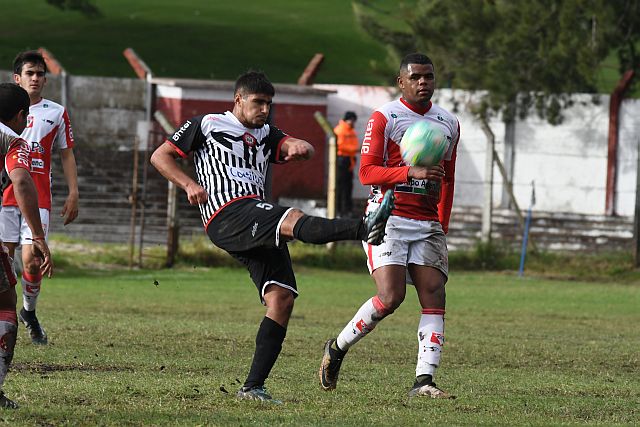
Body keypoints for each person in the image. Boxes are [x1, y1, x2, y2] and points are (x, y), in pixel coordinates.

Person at [150, 70, 395, 403]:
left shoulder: (267, 133)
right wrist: (189, 184)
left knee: (281, 300)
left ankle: (252, 387)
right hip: (227, 212)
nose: (264, 109)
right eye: (258, 102)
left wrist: (300, 147)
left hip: (254, 215)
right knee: (292, 219)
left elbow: (298, 146)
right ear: (239, 100)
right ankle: (364, 228)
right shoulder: (205, 124)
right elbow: (160, 156)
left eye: (269, 103)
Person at [319, 53, 460, 398]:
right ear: (402, 82)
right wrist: (409, 171)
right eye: (415, 77)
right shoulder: (385, 117)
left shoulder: (449, 123)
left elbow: (448, 180)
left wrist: (442, 222)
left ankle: (424, 381)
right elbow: (367, 173)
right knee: (391, 296)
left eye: (429, 76)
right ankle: (337, 348)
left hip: (426, 222)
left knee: (433, 294)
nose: (423, 82)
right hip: (389, 218)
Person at [0, 51, 78, 345]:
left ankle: (28, 312)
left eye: (40, 74)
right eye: (30, 73)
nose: (36, 78)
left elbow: (67, 154)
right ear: (17, 78)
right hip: (6, 197)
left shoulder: (55, 112)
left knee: (31, 260)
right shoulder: (6, 115)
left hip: (39, 198)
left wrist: (74, 192)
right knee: (4, 262)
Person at [0, 83, 54, 408]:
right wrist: (38, 235)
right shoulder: (13, 140)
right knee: (6, 300)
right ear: (21, 116)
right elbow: (21, 179)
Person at [333, 111, 358, 217]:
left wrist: (354, 150)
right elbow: (340, 145)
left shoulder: (351, 131)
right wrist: (355, 149)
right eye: (351, 120)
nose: (353, 123)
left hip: (349, 160)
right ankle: (339, 210)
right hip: (341, 160)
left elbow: (354, 144)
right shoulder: (340, 130)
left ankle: (347, 210)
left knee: (348, 186)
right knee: (340, 186)